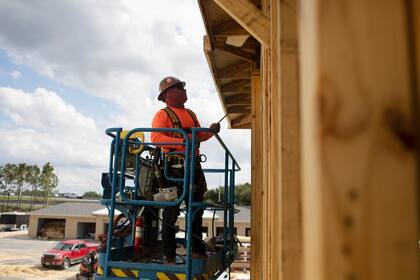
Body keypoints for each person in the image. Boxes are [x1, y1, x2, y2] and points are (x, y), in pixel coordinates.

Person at [151, 76, 220, 264]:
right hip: (172, 170)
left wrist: (211, 131)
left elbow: (199, 136)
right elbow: (156, 138)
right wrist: (184, 141)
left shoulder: (190, 113)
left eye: (183, 87)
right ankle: (169, 256)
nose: (184, 90)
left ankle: (197, 251)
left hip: (193, 167)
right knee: (171, 213)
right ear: (167, 94)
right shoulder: (163, 114)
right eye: (180, 87)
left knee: (196, 211)